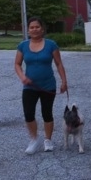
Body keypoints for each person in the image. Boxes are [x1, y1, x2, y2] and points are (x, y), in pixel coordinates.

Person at [14, 17, 68, 154]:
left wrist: (64, 81)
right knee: (28, 114)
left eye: (37, 27)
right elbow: (17, 64)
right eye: (31, 27)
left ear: (42, 29)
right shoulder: (23, 46)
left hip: (48, 85)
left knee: (47, 113)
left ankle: (47, 140)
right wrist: (22, 77)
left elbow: (59, 64)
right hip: (29, 86)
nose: (34, 29)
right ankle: (34, 139)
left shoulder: (51, 45)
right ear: (28, 29)